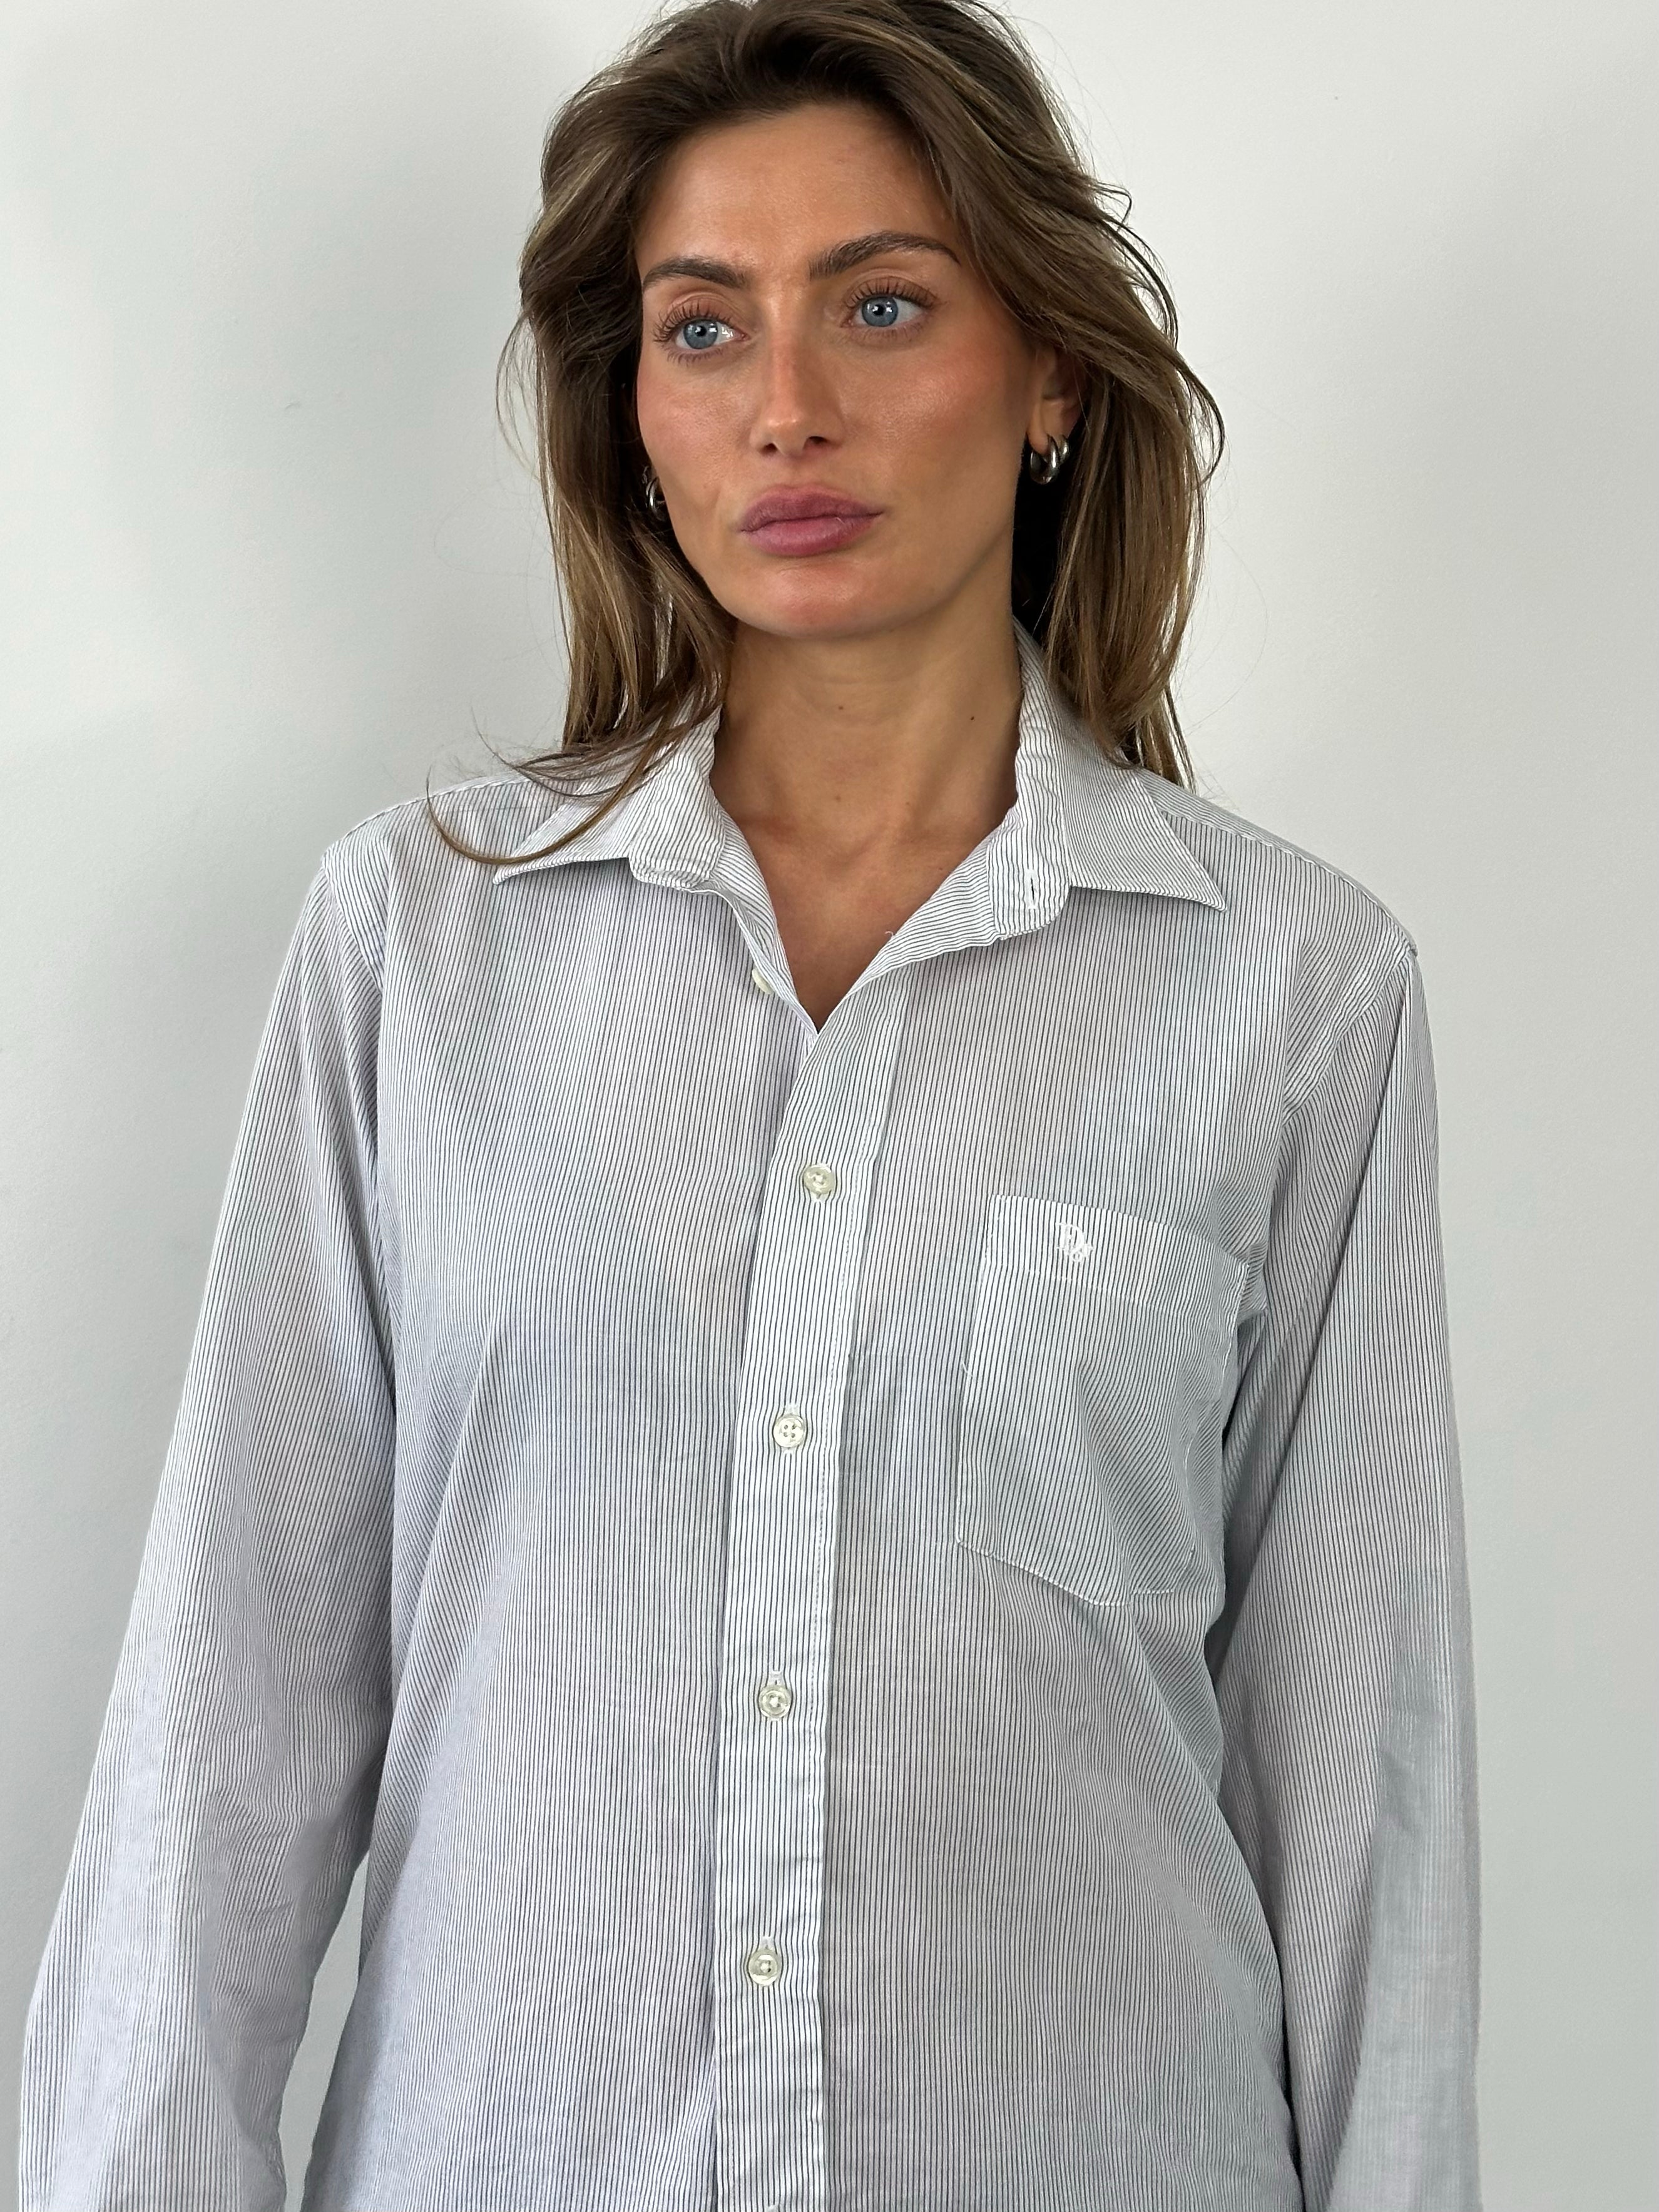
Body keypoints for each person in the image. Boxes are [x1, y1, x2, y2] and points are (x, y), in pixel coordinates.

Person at [18, 0, 1481, 2206]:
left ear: (1051, 373)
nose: (786, 406)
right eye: (701, 330)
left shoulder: (1289, 990)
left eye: (881, 306)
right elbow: (228, 1716)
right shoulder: (416, 947)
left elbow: (1360, 1776)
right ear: (632, 418)